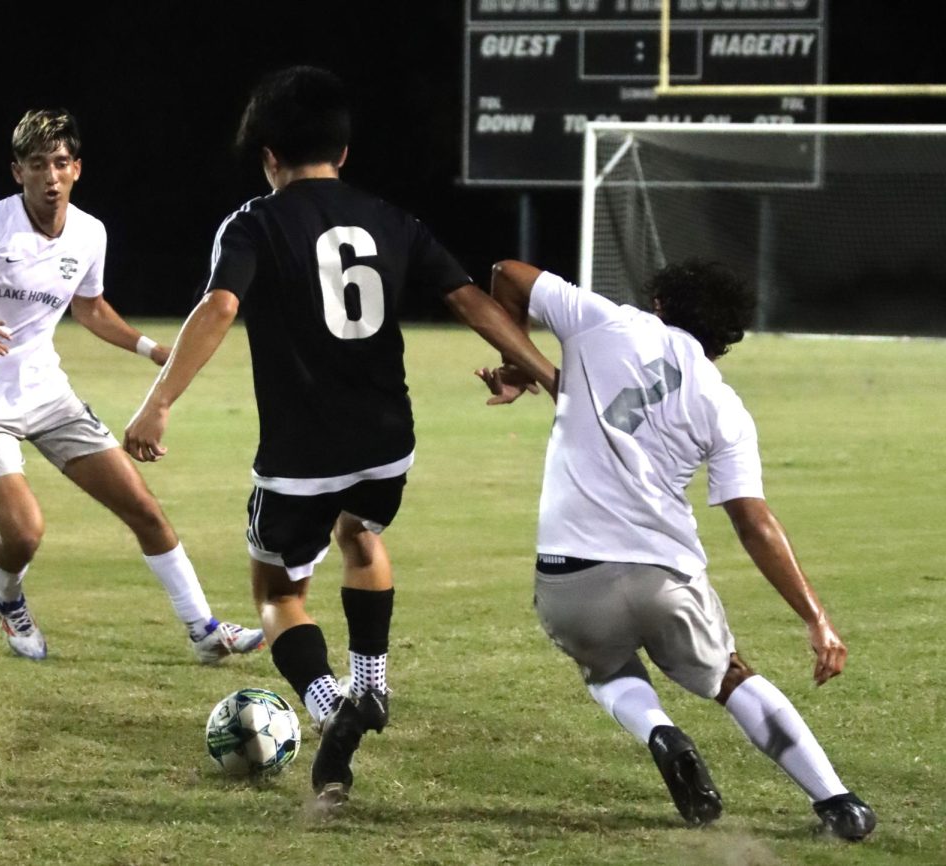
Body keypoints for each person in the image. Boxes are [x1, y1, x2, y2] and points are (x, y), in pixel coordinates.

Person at [123, 67, 558, 806]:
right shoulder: (391, 218)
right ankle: (373, 684)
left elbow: (221, 306)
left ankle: (330, 705)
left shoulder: (255, 222)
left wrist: (158, 402)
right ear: (344, 152)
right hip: (388, 441)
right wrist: (543, 371)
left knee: (276, 588)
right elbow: (470, 300)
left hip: (299, 458)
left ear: (267, 153)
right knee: (362, 537)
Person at [477, 258, 876, 840]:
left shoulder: (602, 322)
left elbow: (505, 274)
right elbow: (754, 522)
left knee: (605, 668)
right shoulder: (723, 404)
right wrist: (817, 619)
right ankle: (839, 803)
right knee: (732, 678)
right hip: (664, 576)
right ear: (725, 339)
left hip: (569, 575)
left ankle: (660, 733)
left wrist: (521, 365)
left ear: (660, 303)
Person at [0, 108, 263, 664]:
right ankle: (7, 597)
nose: (51, 176)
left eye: (61, 163)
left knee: (143, 507)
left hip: (50, 397)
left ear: (77, 169)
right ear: (17, 171)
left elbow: (90, 308)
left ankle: (203, 630)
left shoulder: (90, 233)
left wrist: (150, 349)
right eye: (38, 164)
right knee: (24, 534)